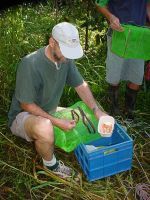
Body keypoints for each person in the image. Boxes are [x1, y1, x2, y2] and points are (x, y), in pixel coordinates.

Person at [8, 22, 109, 180]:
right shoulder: (30, 64)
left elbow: (80, 85)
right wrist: (55, 121)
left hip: (49, 110)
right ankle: (50, 166)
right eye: (65, 51)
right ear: (52, 42)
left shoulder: (65, 60)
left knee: (93, 111)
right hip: (23, 115)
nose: (68, 57)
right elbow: (26, 104)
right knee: (45, 127)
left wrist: (97, 110)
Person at [95, 0, 150, 119]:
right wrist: (111, 17)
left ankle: (129, 111)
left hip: (139, 36)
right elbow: (100, 4)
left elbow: (146, 5)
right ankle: (114, 109)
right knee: (114, 75)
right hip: (118, 34)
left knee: (136, 77)